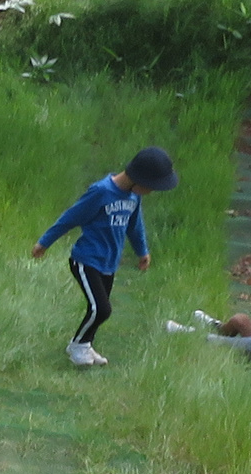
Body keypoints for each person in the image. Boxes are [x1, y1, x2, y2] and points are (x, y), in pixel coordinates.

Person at [27, 144, 178, 369]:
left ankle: (86, 345)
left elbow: (135, 225)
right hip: (86, 260)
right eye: (152, 186)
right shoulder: (101, 192)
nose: (152, 191)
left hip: (109, 262)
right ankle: (77, 345)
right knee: (102, 309)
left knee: (97, 309)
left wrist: (142, 250)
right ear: (139, 179)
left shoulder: (133, 197)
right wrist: (44, 242)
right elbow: (71, 217)